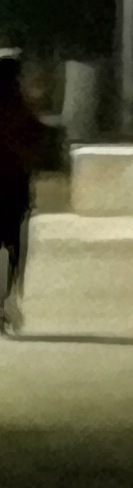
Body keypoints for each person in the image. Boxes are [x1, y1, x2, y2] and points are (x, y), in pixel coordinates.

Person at [0, 53, 46, 335]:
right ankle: (7, 300)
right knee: (15, 247)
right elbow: (36, 141)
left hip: (9, 185)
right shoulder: (20, 109)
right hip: (14, 186)